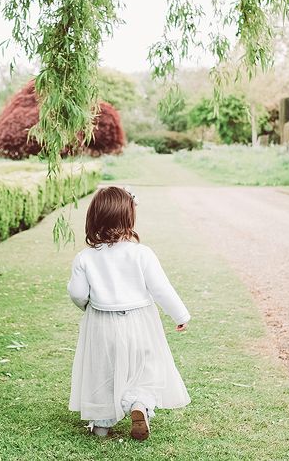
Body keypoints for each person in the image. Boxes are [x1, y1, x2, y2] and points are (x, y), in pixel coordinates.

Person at [67, 186, 190, 441]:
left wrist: (87, 307)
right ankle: (139, 404)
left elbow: (78, 293)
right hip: (140, 321)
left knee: (104, 370)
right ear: (129, 218)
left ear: (94, 218)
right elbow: (161, 289)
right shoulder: (141, 253)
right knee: (143, 367)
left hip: (102, 323)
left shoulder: (85, 257)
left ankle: (101, 424)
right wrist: (180, 315)